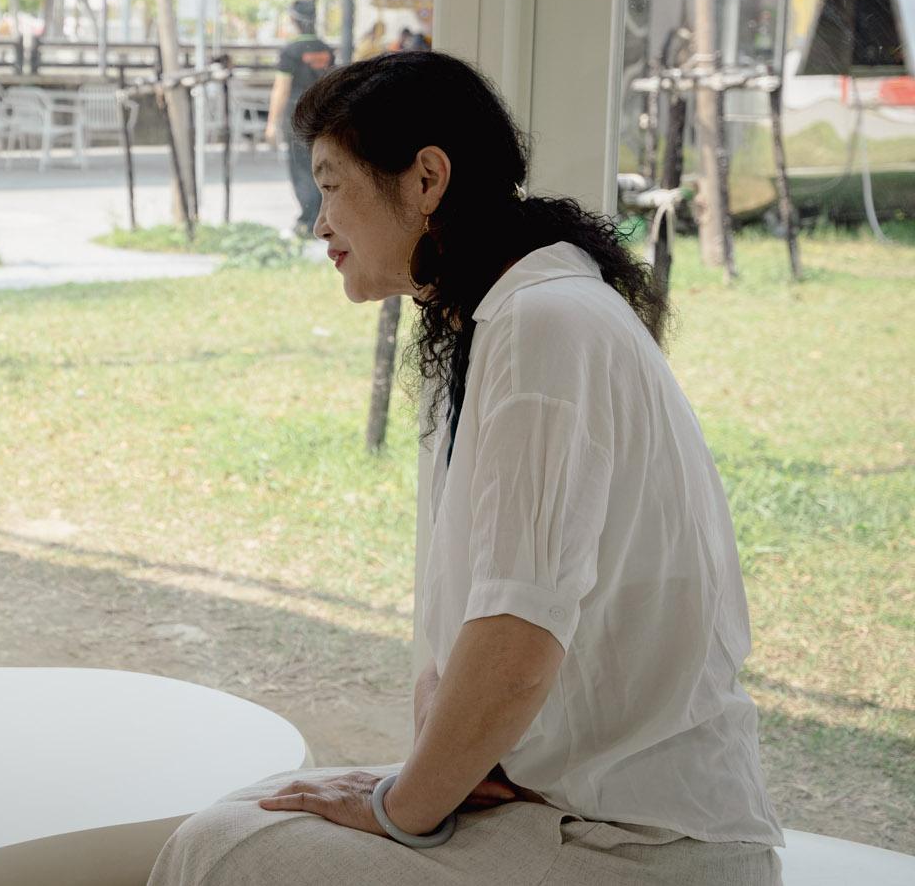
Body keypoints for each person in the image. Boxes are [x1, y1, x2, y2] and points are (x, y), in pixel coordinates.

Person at [150, 50, 781, 886]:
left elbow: (517, 644)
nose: (319, 221)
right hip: (561, 803)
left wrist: (402, 807)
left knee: (223, 845)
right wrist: (436, 775)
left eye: (333, 184)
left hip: (639, 848)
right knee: (263, 807)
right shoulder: (508, 316)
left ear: (426, 178)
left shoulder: (544, 324)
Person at [262, 0, 335, 236]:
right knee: (322, 164)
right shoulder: (326, 48)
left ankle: (307, 220)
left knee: (301, 167)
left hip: (296, 115)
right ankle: (322, 216)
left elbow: (281, 88)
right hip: (323, 113)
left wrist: (272, 124)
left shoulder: (291, 51)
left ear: (293, 20)